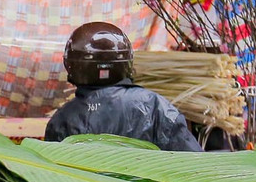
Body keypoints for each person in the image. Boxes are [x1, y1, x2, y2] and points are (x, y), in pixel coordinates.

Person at [45, 22, 202, 151]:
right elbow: (195, 165)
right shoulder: (157, 107)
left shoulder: (62, 120)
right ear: (127, 62)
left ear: (71, 64)